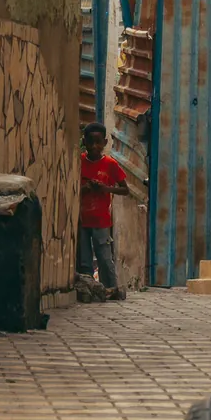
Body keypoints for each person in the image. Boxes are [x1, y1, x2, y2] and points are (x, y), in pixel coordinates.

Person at [78, 122, 130, 295]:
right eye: (91, 142)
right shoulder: (78, 162)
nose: (94, 146)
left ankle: (111, 289)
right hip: (82, 219)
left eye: (98, 142)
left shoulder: (110, 164)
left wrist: (106, 188)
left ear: (105, 142)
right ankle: (88, 290)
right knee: (84, 260)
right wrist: (85, 188)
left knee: (105, 258)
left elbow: (125, 189)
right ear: (84, 142)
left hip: (101, 220)